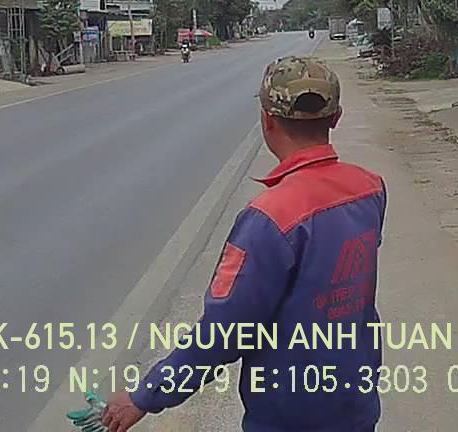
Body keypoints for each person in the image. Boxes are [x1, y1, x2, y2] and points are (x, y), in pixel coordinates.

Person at [102, 56, 386, 432]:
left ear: (267, 119)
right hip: (357, 404)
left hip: (290, 418)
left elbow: (223, 333)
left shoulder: (269, 218)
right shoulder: (370, 187)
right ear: (336, 117)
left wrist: (146, 395)